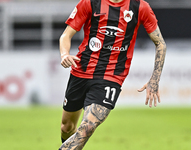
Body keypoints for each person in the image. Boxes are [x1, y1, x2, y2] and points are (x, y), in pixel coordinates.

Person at [59, 0, 166, 149]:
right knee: (67, 127)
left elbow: (160, 43)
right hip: (81, 71)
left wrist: (155, 79)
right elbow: (65, 35)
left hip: (111, 76)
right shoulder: (90, 3)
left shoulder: (139, 6)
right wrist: (64, 54)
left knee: (88, 126)